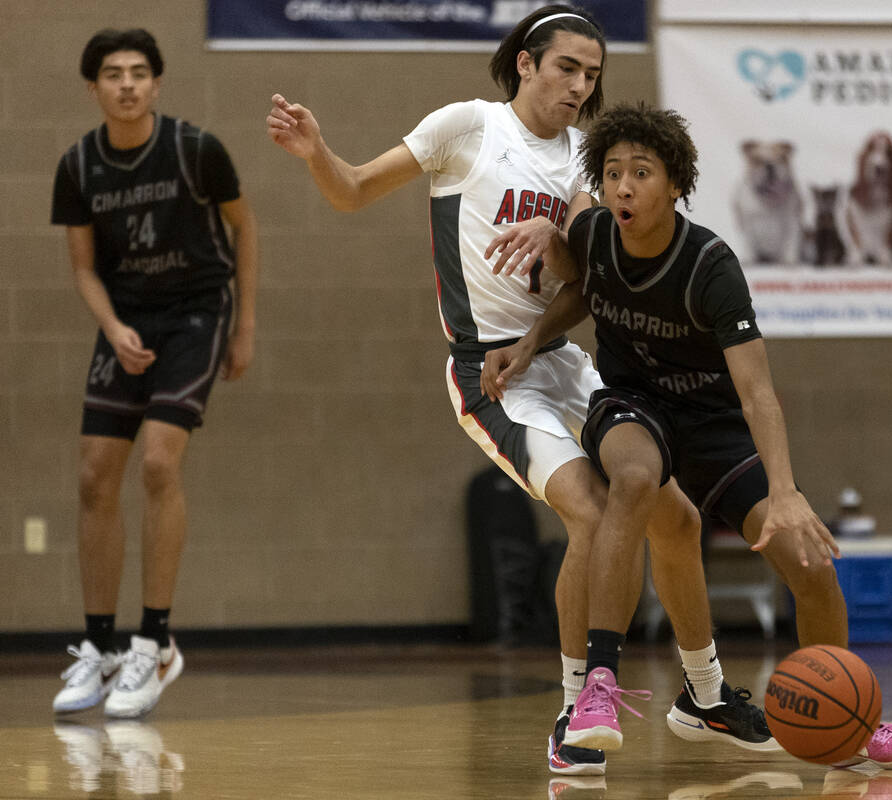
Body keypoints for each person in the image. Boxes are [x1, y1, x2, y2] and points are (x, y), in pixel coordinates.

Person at [267, 6, 776, 776]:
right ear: (527, 64)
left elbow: (584, 286)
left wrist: (563, 248)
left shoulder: (584, 159)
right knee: (594, 511)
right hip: (488, 370)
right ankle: (577, 708)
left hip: (560, 358)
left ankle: (703, 694)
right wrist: (316, 153)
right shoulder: (465, 127)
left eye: (594, 74)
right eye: (568, 67)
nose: (581, 85)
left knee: (673, 516)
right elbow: (352, 191)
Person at [482, 102, 892, 769]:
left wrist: (783, 492)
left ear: (675, 184)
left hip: (714, 423)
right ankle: (598, 690)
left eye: (641, 172)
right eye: (612, 173)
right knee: (632, 479)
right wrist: (530, 343)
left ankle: (851, 725)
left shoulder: (711, 267)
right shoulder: (596, 233)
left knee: (810, 565)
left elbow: (756, 392)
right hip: (631, 405)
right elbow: (584, 290)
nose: (624, 186)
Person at [50, 28, 259, 717]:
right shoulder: (79, 165)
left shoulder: (195, 149)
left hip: (196, 315)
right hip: (126, 320)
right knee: (92, 478)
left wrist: (244, 324)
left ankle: (157, 642)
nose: (128, 83)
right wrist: (113, 329)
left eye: (140, 71)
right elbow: (83, 267)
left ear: (157, 83)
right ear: (94, 88)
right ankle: (101, 649)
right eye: (113, 73)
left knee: (160, 466)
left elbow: (244, 228)